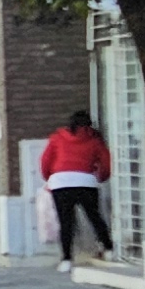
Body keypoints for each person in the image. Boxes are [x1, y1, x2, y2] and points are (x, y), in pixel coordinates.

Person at [40, 107, 114, 264]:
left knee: (66, 221)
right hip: (85, 180)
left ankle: (66, 259)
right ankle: (108, 249)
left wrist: (50, 177)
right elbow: (106, 161)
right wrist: (102, 177)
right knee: (94, 216)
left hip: (60, 182)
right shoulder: (95, 139)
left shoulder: (57, 137)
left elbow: (45, 160)